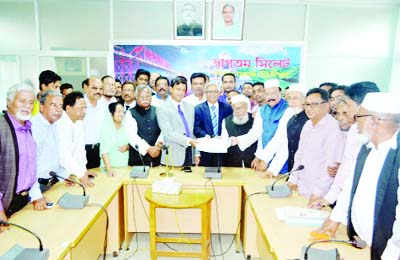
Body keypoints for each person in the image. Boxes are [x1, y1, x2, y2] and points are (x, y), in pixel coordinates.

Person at [315, 92, 400, 260]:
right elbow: (350, 186)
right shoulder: (366, 147)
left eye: (358, 116)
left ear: (374, 120)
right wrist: (335, 218)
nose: (355, 123)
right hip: (361, 245)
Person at [309, 82, 380, 209]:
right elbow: (346, 170)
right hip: (351, 202)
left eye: (346, 110)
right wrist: (328, 198)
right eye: (337, 113)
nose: (340, 118)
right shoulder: (354, 131)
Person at [287, 88, 344, 204]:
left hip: (318, 195)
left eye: (314, 104)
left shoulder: (333, 128)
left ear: (327, 105)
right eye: (307, 104)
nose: (309, 108)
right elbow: (299, 155)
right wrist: (293, 179)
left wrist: (318, 193)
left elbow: (331, 166)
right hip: (300, 188)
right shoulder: (308, 125)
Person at [0, 83, 38, 227]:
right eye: (22, 101)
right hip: (5, 206)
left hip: (24, 201)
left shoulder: (28, 128)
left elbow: (30, 167)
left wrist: (35, 195)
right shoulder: (2, 129)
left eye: (30, 102)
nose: (27, 106)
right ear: (9, 102)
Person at [231, 79, 288, 172]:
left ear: (280, 92)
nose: (270, 97)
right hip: (265, 157)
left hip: (281, 155)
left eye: (273, 93)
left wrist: (263, 158)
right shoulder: (261, 110)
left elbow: (280, 138)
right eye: (267, 94)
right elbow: (257, 133)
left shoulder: (287, 109)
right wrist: (238, 140)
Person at [256, 83, 307, 176]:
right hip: (292, 164)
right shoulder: (289, 112)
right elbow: (279, 138)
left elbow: (287, 145)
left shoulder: (309, 118)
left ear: (304, 99)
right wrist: (265, 159)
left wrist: (273, 168)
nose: (292, 102)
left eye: (295, 98)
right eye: (289, 98)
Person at [29, 90, 66, 208]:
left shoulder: (54, 125)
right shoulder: (33, 127)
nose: (58, 109)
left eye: (61, 106)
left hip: (50, 184)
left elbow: (52, 157)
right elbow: (29, 165)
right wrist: (35, 195)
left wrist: (63, 175)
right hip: (35, 188)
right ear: (41, 107)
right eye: (53, 105)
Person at [57, 91, 96, 187]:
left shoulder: (78, 122)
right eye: (80, 108)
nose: (84, 111)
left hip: (70, 174)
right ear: (68, 108)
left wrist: (83, 171)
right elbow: (64, 154)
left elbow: (80, 150)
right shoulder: (60, 124)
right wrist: (80, 174)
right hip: (57, 174)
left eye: (85, 108)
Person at [156, 76, 197, 166]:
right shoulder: (162, 108)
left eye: (183, 90)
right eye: (178, 89)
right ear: (171, 89)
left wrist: (197, 153)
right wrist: (189, 141)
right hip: (173, 155)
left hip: (190, 153)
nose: (181, 93)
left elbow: (192, 131)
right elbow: (168, 133)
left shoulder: (190, 107)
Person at [194, 82, 233, 166]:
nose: (212, 94)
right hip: (206, 147)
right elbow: (196, 127)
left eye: (215, 91)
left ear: (219, 93)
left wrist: (224, 136)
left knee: (222, 172)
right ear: (205, 93)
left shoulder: (227, 108)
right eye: (209, 92)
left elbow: (230, 125)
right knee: (205, 172)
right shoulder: (198, 109)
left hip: (222, 146)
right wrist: (205, 135)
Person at [125, 85, 163, 167]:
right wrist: (148, 149)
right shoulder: (130, 113)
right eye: (142, 97)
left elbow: (163, 131)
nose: (145, 99)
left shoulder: (158, 110)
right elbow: (132, 136)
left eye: (148, 96)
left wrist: (158, 146)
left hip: (157, 155)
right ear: (136, 97)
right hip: (138, 158)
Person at [221, 94, 256, 167]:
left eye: (240, 108)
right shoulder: (226, 121)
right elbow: (224, 140)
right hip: (232, 162)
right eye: (235, 108)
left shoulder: (254, 119)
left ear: (246, 107)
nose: (238, 111)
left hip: (252, 161)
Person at [82, 77, 107, 169]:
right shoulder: (79, 105)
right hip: (82, 150)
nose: (98, 91)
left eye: (101, 89)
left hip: (99, 149)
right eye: (94, 88)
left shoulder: (103, 106)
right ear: (85, 87)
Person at [100, 102, 129, 176]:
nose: (121, 114)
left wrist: (128, 147)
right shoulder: (105, 129)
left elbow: (131, 143)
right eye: (119, 112)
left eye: (123, 112)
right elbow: (104, 152)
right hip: (109, 168)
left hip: (125, 166)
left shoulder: (126, 127)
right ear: (111, 113)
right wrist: (109, 170)